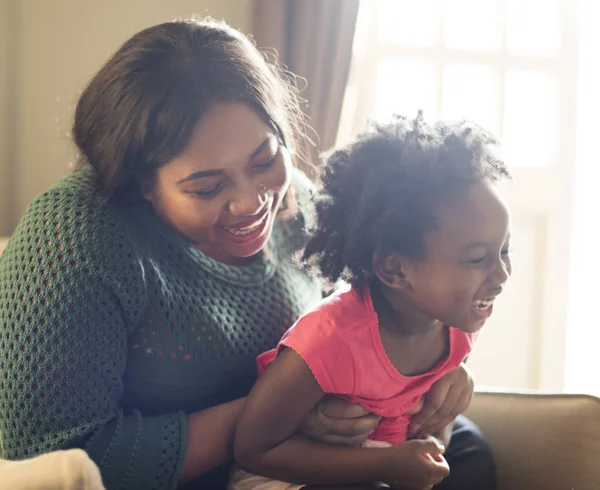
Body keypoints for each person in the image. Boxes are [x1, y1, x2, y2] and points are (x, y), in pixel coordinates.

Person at [0, 18, 493, 490]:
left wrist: (438, 366)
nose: (252, 202)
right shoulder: (77, 237)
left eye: (265, 160)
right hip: (227, 472)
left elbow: (374, 317)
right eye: (207, 186)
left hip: (312, 452)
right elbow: (50, 464)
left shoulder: (301, 209)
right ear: (140, 182)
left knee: (467, 457)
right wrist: (285, 406)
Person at [231, 115, 511, 489]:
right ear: (395, 269)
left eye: (505, 249)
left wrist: (430, 440)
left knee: (473, 455)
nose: (501, 275)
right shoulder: (329, 339)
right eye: (477, 259)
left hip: (382, 462)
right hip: (291, 477)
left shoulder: (457, 318)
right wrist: (381, 466)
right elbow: (254, 450)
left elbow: (430, 426)